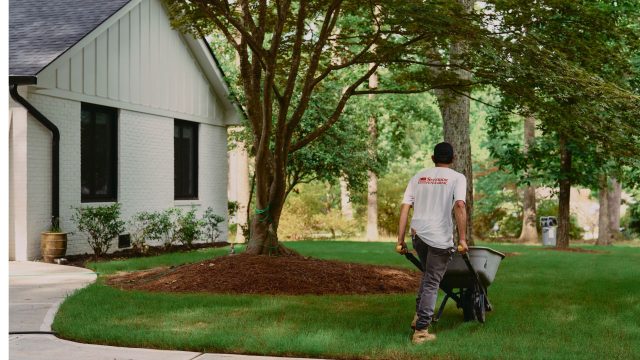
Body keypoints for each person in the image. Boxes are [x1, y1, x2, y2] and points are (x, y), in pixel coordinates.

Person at [396, 142, 468, 344]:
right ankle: (421, 331)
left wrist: (400, 239)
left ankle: (419, 316)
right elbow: (460, 205)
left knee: (428, 277)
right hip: (439, 238)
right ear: (453, 159)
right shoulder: (457, 178)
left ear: (432, 158)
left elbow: (405, 207)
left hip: (418, 235)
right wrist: (462, 238)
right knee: (432, 282)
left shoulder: (418, 176)